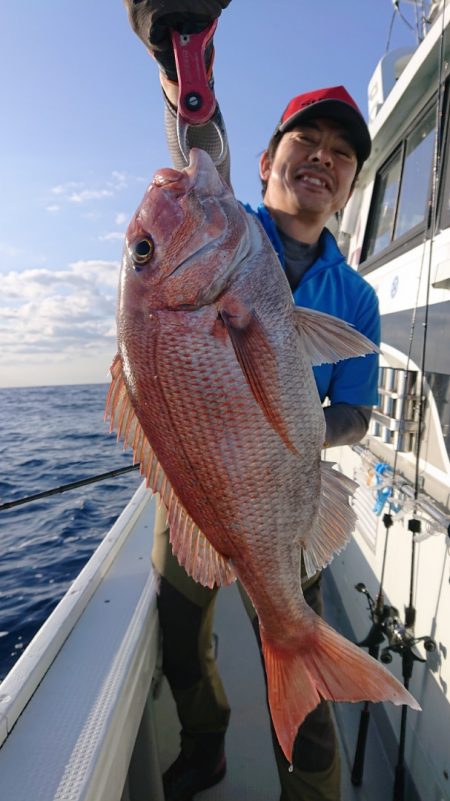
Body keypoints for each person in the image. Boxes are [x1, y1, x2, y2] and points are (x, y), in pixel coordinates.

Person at [124, 3, 380, 801]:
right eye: (308, 142)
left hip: (287, 502)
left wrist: (296, 440)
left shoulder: (359, 298)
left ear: (347, 185)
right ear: (268, 158)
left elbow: (358, 417)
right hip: (198, 494)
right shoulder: (233, 230)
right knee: (175, 638)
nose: (324, 159)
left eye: (342, 154)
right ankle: (206, 746)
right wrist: (181, 60)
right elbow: (199, 140)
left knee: (304, 683)